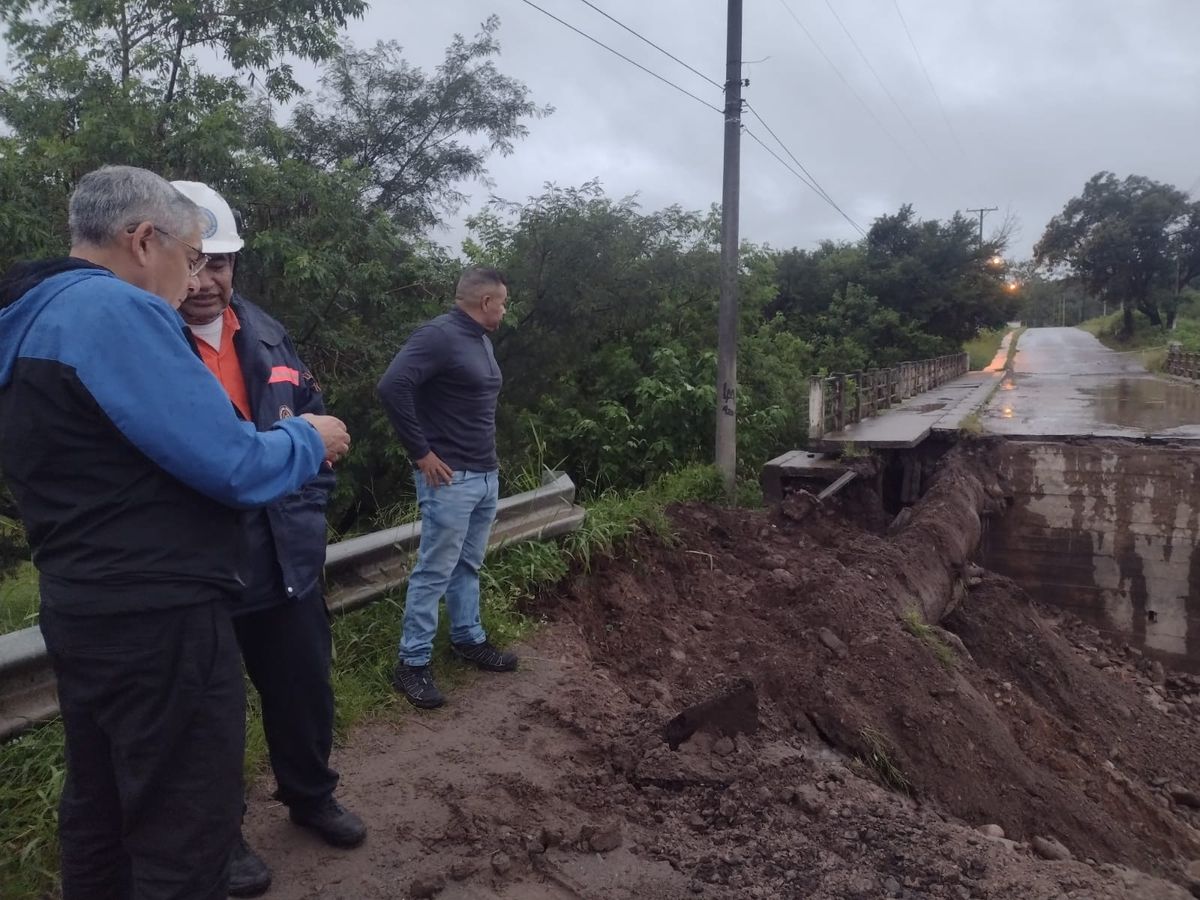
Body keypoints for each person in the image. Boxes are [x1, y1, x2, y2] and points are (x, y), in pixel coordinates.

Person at [0, 165, 350, 900]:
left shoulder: (30, 312)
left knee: (101, 808)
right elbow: (229, 464)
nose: (194, 277)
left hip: (83, 603)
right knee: (183, 826)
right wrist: (311, 440)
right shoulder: (115, 313)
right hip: (159, 620)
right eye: (191, 255)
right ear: (142, 239)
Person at [169, 180, 366, 897]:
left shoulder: (267, 330)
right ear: (160, 257)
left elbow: (315, 422)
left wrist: (309, 508)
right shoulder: (146, 343)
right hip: (203, 573)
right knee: (207, 720)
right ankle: (219, 840)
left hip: (287, 558)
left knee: (303, 692)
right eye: (192, 263)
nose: (205, 280)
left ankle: (311, 796)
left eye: (218, 262)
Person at [377, 267, 518, 709]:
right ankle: (411, 663)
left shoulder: (481, 340)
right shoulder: (437, 335)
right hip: (449, 477)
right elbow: (391, 386)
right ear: (485, 302)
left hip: (483, 474)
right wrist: (421, 453)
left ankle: (467, 639)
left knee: (468, 565)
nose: (505, 309)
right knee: (435, 570)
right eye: (504, 302)